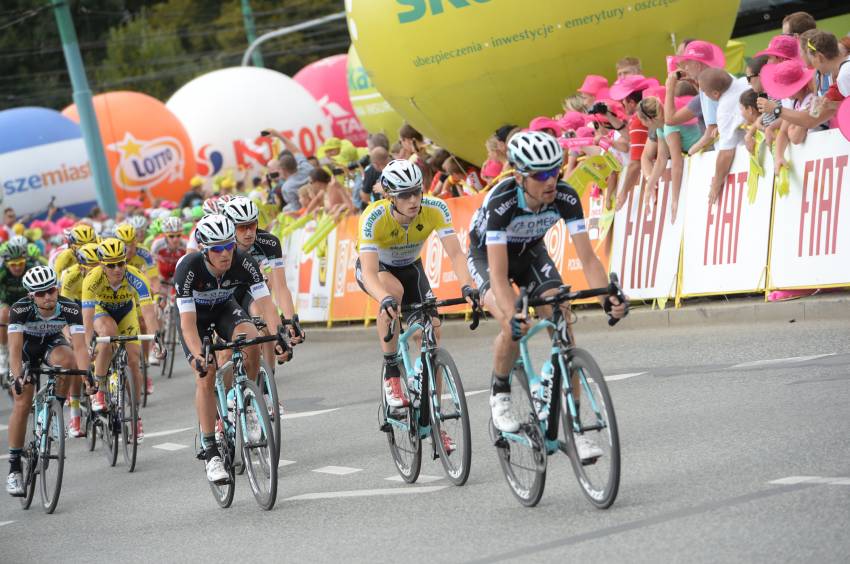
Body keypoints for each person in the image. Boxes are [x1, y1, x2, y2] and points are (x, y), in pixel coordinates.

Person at [466, 131, 628, 459]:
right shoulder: (503, 202)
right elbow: (497, 275)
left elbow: (588, 258)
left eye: (555, 170)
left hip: (530, 254)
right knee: (515, 325)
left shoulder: (566, 196)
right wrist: (513, 314)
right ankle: (500, 393)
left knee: (562, 319)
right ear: (521, 176)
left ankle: (575, 428)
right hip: (488, 257)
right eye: (541, 175)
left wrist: (606, 298)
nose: (551, 179)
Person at [355, 159, 478, 442]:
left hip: (412, 268)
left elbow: (457, 255)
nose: (413, 200)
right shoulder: (374, 217)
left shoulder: (435, 208)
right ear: (389, 196)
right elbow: (371, 273)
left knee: (432, 328)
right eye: (404, 195)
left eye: (416, 192)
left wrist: (467, 286)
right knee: (393, 293)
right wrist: (383, 298)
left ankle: (432, 414)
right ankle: (391, 374)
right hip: (377, 271)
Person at [172, 214, 288, 483]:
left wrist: (278, 333)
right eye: (218, 249)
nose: (225, 254)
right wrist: (198, 356)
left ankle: (248, 405)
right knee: (206, 373)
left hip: (225, 309)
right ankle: (211, 451)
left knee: (252, 338)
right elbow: (188, 325)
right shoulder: (188, 269)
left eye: (229, 246)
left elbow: (267, 304)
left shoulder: (244, 262)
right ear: (204, 250)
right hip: (196, 319)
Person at [5, 266, 89, 496]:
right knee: (22, 402)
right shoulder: (20, 309)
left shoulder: (70, 307)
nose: (47, 297)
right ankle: (14, 469)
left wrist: (87, 375)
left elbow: (80, 346)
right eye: (40, 293)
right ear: (31, 295)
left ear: (57, 288)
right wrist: (17, 376)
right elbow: (13, 348)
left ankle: (54, 411)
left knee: (68, 360)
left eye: (50, 290)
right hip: (26, 350)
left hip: (53, 343)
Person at [82, 238, 162, 441]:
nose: (117, 269)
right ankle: (99, 390)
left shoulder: (135, 276)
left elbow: (148, 312)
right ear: (102, 264)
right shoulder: (92, 279)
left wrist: (156, 339)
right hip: (102, 312)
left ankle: (135, 416)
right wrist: (87, 343)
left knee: (134, 362)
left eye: (121, 262)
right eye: (111, 265)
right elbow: (88, 317)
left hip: (126, 313)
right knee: (107, 335)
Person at [758, 31, 849, 129]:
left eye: (800, 52)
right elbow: (814, 114)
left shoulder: (844, 74)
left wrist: (776, 109)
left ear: (819, 57)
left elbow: (810, 120)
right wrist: (831, 105)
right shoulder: (819, 77)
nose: (799, 57)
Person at [58, 242, 100, 438]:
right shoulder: (70, 276)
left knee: (104, 344)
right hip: (74, 309)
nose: (93, 271)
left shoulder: (103, 275)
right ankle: (75, 415)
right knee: (77, 359)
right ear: (81, 267)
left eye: (96, 266)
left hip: (96, 309)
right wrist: (69, 334)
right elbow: (64, 310)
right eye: (89, 267)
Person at [698, 68, 750, 204]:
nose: (703, 94)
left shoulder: (724, 109)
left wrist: (716, 183)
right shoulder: (746, 81)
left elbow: (727, 153)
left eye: (704, 91)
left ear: (715, 94)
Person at [0, 238, 43, 377]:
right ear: (7, 263)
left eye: (20, 263)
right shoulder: (2, 271)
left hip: (27, 302)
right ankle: (3, 352)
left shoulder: (31, 268)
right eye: (13, 264)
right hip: (7, 302)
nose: (18, 267)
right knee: (4, 313)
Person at [266, 128, 313, 213]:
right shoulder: (306, 167)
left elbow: (297, 209)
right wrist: (278, 135)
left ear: (282, 169)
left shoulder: (287, 188)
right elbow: (295, 150)